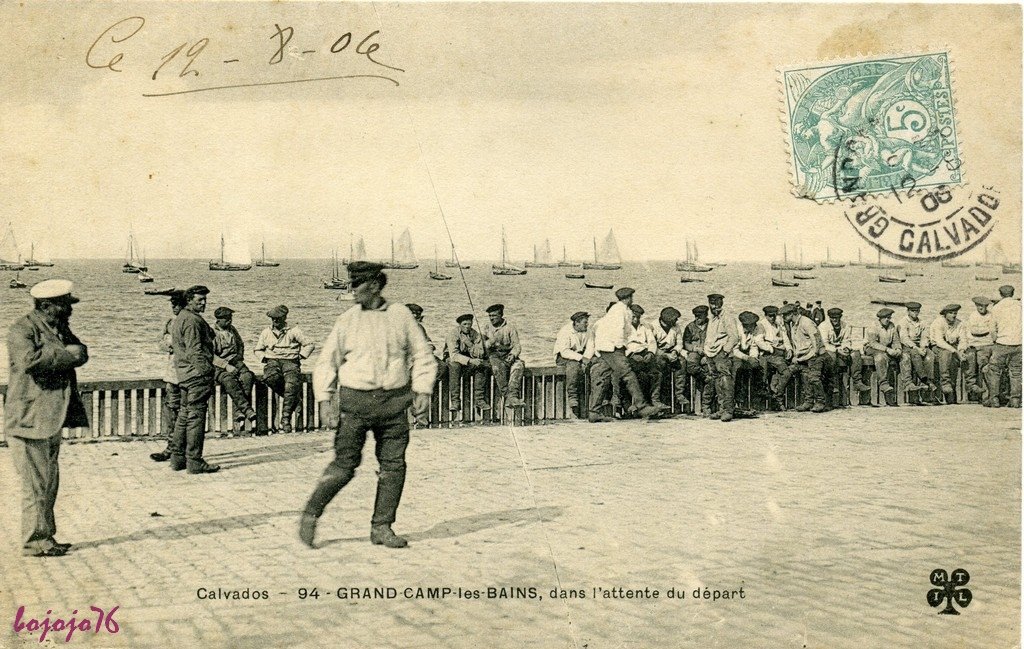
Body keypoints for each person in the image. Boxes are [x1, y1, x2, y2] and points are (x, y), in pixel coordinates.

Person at [300, 262, 436, 549]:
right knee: (345, 465)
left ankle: (382, 527)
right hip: (356, 405)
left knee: (393, 466)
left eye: (357, 284)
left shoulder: (401, 316)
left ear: (374, 285)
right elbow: (327, 362)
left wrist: (422, 389)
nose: (352, 290)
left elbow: (424, 355)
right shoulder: (347, 320)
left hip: (394, 405)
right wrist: (325, 399)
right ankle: (311, 513)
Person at [5, 279, 89, 557]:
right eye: (64, 305)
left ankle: (45, 537)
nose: (70, 309)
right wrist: (68, 354)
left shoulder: (59, 327)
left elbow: (81, 351)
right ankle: (34, 542)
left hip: (50, 417)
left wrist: (72, 353)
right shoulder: (21, 329)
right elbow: (30, 361)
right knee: (34, 485)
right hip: (28, 420)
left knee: (48, 481)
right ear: (46, 306)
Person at [588, 288, 662, 420]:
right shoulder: (620, 311)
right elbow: (618, 330)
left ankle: (594, 412)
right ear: (629, 298)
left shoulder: (617, 310)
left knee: (602, 376)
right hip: (612, 347)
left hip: (605, 347)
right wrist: (620, 347)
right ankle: (642, 407)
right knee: (628, 374)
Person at [170, 285, 220, 473]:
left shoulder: (181, 317)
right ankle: (194, 461)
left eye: (205, 299)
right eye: (199, 300)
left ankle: (177, 459)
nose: (204, 303)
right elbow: (194, 352)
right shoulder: (192, 321)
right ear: (189, 300)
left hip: (183, 374)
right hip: (196, 376)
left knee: (184, 416)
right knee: (196, 419)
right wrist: (207, 371)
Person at [255, 305, 314, 433]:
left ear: (284, 318)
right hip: (272, 361)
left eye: (278, 319)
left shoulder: (294, 330)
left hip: (290, 361)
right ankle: (294, 400)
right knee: (270, 378)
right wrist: (264, 358)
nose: (275, 321)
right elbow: (258, 349)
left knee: (291, 385)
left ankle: (285, 418)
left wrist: (301, 356)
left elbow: (309, 345)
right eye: (273, 319)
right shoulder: (266, 332)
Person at [150, 291, 186, 462]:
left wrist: (172, 344)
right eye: (172, 304)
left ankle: (182, 449)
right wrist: (169, 345)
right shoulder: (170, 322)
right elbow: (160, 344)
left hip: (187, 374)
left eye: (177, 304)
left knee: (185, 413)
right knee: (171, 410)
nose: (174, 307)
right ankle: (171, 447)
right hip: (172, 374)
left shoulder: (189, 323)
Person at [212, 306, 257, 433]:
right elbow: (210, 355)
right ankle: (247, 409)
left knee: (247, 376)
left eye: (230, 318)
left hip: (235, 361)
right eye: (226, 319)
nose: (229, 321)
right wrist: (226, 365)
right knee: (229, 380)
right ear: (218, 320)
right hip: (219, 365)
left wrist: (238, 358)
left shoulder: (232, 330)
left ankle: (239, 412)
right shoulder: (211, 333)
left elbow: (241, 345)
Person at [819, 307, 870, 407]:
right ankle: (832, 384)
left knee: (855, 353)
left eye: (837, 318)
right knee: (831, 356)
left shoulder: (845, 325)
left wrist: (846, 348)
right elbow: (824, 343)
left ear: (840, 317)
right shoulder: (823, 326)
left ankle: (857, 382)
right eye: (833, 318)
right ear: (829, 318)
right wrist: (838, 350)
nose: (835, 320)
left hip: (840, 348)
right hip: (828, 349)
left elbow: (846, 340)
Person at [782, 303, 827, 412]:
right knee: (805, 377)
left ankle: (820, 402)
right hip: (804, 356)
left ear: (792, 314)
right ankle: (808, 402)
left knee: (814, 378)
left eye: (785, 315)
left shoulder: (807, 323)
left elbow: (816, 343)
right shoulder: (794, 325)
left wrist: (805, 358)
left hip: (815, 356)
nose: (783, 318)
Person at [481, 304, 526, 409]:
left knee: (518, 366)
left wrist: (513, 354)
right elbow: (481, 345)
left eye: (494, 316)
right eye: (490, 316)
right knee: (497, 367)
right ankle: (508, 396)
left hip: (507, 354)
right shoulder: (486, 328)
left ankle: (513, 396)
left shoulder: (510, 328)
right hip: (493, 355)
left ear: (501, 315)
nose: (492, 318)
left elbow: (517, 346)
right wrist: (487, 343)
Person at [703, 294, 740, 421]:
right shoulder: (712, 319)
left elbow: (734, 337)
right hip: (711, 353)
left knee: (725, 380)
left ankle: (728, 410)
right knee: (717, 382)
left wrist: (725, 351)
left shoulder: (728, 318)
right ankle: (721, 409)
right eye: (712, 304)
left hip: (721, 353)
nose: (714, 307)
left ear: (721, 303)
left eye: (717, 304)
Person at [445, 313, 489, 418]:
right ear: (460, 324)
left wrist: (470, 345)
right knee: (455, 366)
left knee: (482, 365)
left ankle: (479, 399)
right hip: (453, 358)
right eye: (464, 324)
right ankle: (455, 401)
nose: (467, 326)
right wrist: (470, 360)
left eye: (469, 324)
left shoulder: (475, 334)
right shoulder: (453, 334)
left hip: (468, 359)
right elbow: (454, 355)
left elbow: (480, 353)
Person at [986, 285, 1022, 408]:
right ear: (1013, 293)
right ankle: (1015, 400)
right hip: (1019, 343)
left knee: (995, 371)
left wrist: (996, 340)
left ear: (1000, 294)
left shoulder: (997, 308)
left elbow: (992, 329)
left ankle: (994, 399)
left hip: (1002, 342)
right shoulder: (1020, 306)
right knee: (1016, 372)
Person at [651, 306, 690, 413]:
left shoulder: (676, 327)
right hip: (658, 354)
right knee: (659, 366)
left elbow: (679, 342)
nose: (676, 321)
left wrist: (674, 352)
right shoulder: (653, 326)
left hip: (672, 352)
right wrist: (665, 355)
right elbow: (652, 346)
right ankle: (656, 398)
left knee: (682, 362)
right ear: (667, 319)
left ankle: (679, 394)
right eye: (674, 319)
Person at [553, 311, 590, 418]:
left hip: (581, 356)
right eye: (585, 322)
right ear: (576, 323)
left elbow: (591, 347)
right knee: (573, 365)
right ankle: (572, 396)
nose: (587, 324)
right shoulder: (565, 331)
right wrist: (581, 358)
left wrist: (586, 359)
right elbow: (564, 351)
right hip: (563, 357)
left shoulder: (588, 331)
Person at [625, 304, 663, 410]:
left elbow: (652, 341)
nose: (636, 319)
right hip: (630, 355)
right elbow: (620, 344)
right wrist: (632, 355)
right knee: (640, 375)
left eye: (638, 317)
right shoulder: (623, 327)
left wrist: (650, 353)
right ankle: (636, 404)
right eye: (633, 317)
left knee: (656, 373)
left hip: (644, 353)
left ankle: (654, 400)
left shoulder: (645, 326)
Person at [896, 302, 935, 403]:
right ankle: (920, 380)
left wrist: (923, 347)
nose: (915, 313)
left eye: (917, 311)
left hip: (918, 346)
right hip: (907, 346)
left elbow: (925, 336)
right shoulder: (903, 322)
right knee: (909, 356)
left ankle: (928, 381)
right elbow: (904, 338)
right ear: (908, 311)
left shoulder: (922, 322)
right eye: (913, 311)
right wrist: (916, 348)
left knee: (929, 355)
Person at [929, 304, 969, 403]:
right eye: (951, 313)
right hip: (938, 347)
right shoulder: (939, 322)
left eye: (955, 313)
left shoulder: (959, 323)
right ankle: (945, 384)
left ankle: (953, 390)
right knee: (947, 354)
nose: (954, 315)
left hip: (953, 347)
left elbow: (963, 339)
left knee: (956, 360)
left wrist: (961, 350)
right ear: (945, 314)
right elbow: (939, 341)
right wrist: (955, 351)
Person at [864, 307, 902, 405]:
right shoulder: (873, 326)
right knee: (880, 357)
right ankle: (884, 384)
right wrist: (887, 349)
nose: (887, 320)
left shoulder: (892, 326)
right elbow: (872, 343)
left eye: (889, 317)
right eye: (885, 318)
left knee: (895, 358)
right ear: (880, 319)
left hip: (885, 349)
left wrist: (898, 349)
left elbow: (896, 341)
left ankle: (891, 394)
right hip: (871, 348)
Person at [757, 305, 793, 407]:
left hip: (780, 354)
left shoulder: (778, 324)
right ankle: (777, 398)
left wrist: (789, 349)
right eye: (770, 316)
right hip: (769, 354)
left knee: (786, 373)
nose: (772, 318)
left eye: (774, 316)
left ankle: (776, 393)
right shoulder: (761, 325)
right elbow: (759, 341)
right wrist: (771, 349)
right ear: (765, 315)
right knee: (786, 373)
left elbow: (785, 338)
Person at [682, 305, 713, 414]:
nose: (697, 319)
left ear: (706, 315)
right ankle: (705, 377)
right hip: (695, 352)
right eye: (695, 317)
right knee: (691, 365)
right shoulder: (690, 327)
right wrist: (695, 348)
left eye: (699, 317)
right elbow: (686, 343)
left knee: (710, 369)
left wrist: (707, 354)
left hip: (709, 353)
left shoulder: (712, 325)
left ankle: (706, 406)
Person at [964, 296, 995, 401]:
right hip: (976, 344)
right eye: (980, 306)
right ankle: (977, 392)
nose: (982, 308)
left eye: (985, 306)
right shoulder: (973, 316)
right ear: (976, 306)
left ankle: (992, 393)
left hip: (989, 343)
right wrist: (988, 329)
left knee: (991, 366)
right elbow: (975, 331)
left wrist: (988, 330)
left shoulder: (991, 315)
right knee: (978, 364)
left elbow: (994, 330)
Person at [733, 311, 763, 406]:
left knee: (756, 367)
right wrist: (747, 358)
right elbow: (734, 350)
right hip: (734, 355)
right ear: (746, 325)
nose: (755, 327)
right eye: (752, 325)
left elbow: (754, 346)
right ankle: (737, 398)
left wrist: (753, 358)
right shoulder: (736, 331)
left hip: (746, 356)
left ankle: (754, 398)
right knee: (738, 369)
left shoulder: (753, 331)